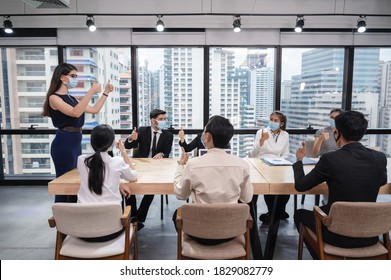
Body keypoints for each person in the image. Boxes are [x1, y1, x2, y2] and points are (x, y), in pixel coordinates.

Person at [293, 111, 387, 259]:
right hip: (370, 234)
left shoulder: (330, 159)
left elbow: (300, 186)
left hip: (337, 235)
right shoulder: (380, 158)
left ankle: (324, 258)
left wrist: (298, 161)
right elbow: (382, 181)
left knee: (299, 214)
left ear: (337, 133)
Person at [173, 116, 261, 255]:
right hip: (231, 232)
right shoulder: (242, 165)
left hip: (198, 233)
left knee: (176, 215)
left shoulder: (194, 165)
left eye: (204, 131)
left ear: (207, 136)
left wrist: (180, 166)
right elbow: (247, 198)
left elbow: (180, 194)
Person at [42, 63, 113, 203]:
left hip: (75, 142)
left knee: (75, 183)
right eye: (73, 76)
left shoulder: (71, 98)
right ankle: (61, 219)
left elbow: (94, 109)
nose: (76, 79)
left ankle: (72, 217)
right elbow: (75, 113)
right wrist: (91, 91)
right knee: (63, 184)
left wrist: (105, 93)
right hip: (63, 144)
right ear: (62, 77)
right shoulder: (54, 98)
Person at [77, 124, 137, 242]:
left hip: (82, 231)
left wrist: (118, 181)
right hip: (112, 230)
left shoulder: (81, 160)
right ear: (110, 144)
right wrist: (123, 152)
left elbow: (97, 174)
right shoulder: (117, 162)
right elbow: (133, 176)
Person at [124, 108, 174, 228]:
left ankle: (138, 218)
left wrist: (162, 154)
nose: (163, 121)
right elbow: (128, 145)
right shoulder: (142, 131)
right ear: (153, 120)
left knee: (152, 188)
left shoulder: (168, 135)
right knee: (128, 185)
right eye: (161, 119)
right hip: (141, 166)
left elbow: (167, 153)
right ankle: (133, 216)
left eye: (164, 119)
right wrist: (131, 138)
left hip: (157, 169)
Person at [249, 111, 290, 223]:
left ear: (281, 124)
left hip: (278, 166)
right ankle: (274, 213)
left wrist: (282, 163)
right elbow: (253, 154)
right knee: (270, 188)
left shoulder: (285, 135)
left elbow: (286, 154)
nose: (272, 122)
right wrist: (262, 141)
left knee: (285, 188)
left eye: (275, 120)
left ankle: (275, 212)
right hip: (262, 165)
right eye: (271, 119)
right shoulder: (261, 132)